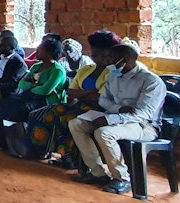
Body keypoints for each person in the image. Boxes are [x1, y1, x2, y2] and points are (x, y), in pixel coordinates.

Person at [68, 42, 166, 195]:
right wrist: (118, 110)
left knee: (104, 133)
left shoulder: (150, 81)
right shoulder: (114, 75)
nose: (108, 62)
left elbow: (144, 113)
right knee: (76, 124)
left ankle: (122, 178)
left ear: (125, 59)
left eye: (111, 58)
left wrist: (112, 119)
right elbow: (103, 100)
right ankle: (97, 173)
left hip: (143, 126)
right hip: (116, 117)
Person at [27, 31, 121, 169]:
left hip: (101, 110)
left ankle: (71, 159)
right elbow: (70, 91)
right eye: (95, 54)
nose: (98, 58)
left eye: (103, 55)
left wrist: (82, 93)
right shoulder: (86, 70)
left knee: (67, 119)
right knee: (40, 114)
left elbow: (100, 98)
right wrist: (88, 93)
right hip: (80, 106)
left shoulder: (113, 73)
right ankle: (42, 151)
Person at [0, 37, 67, 155]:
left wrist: (31, 86)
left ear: (49, 53)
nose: (36, 52)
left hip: (48, 103)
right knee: (2, 105)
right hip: (31, 98)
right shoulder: (36, 67)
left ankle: (25, 147)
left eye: (39, 50)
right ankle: (6, 141)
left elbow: (45, 91)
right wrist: (34, 85)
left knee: (17, 109)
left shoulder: (57, 71)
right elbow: (22, 83)